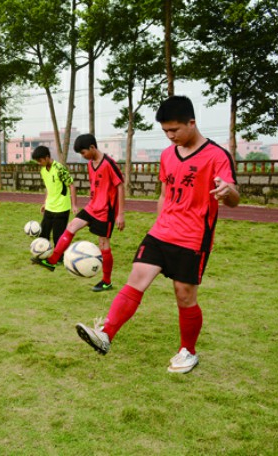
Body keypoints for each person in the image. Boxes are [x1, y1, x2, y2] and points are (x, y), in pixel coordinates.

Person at [75, 95, 239, 374]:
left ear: (192, 122)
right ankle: (106, 334)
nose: (170, 136)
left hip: (193, 238)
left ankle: (188, 351)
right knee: (136, 278)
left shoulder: (217, 156)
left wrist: (228, 192)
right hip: (161, 232)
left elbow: (234, 197)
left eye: (175, 130)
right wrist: (159, 222)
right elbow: (164, 193)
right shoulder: (166, 155)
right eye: (165, 131)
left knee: (184, 295)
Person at [33, 134, 126, 292]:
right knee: (71, 226)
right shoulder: (90, 164)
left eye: (83, 153)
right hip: (92, 207)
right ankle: (53, 260)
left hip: (106, 211)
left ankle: (106, 281)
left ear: (92, 147)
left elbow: (120, 186)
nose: (83, 157)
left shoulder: (109, 163)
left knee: (104, 244)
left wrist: (121, 214)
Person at [31, 145, 77, 262]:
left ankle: (60, 258)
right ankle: (41, 255)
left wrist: (74, 205)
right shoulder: (43, 170)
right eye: (37, 161)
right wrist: (45, 203)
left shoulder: (59, 168)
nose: (39, 163)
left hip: (62, 208)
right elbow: (48, 187)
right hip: (50, 207)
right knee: (43, 234)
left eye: (40, 160)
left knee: (58, 236)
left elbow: (72, 186)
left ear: (47, 157)